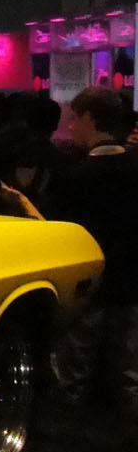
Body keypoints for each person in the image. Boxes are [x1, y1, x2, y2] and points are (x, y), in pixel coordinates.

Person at [40, 86, 138, 415]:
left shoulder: (75, 176)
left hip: (89, 284)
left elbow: (58, 227)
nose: (70, 127)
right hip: (132, 281)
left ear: (89, 119)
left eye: (75, 119)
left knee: (74, 369)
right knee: (129, 369)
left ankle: (73, 437)